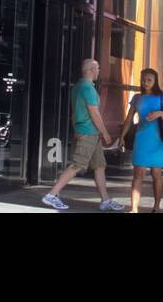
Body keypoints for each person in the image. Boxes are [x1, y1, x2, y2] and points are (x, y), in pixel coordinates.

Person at [42, 58, 124, 211]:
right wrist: (105, 133)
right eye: (98, 68)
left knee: (99, 166)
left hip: (86, 132)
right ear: (92, 69)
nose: (99, 70)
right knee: (77, 165)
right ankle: (51, 195)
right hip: (89, 133)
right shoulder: (88, 89)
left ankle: (105, 200)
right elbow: (94, 113)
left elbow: (75, 113)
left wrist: (76, 130)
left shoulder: (78, 87)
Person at [119, 68, 163, 212]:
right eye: (143, 80)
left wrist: (160, 114)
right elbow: (128, 119)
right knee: (138, 173)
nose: (146, 83)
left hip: (158, 141)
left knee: (156, 173)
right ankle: (134, 209)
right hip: (142, 138)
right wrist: (122, 137)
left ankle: (156, 206)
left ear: (155, 81)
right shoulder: (137, 98)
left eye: (149, 80)